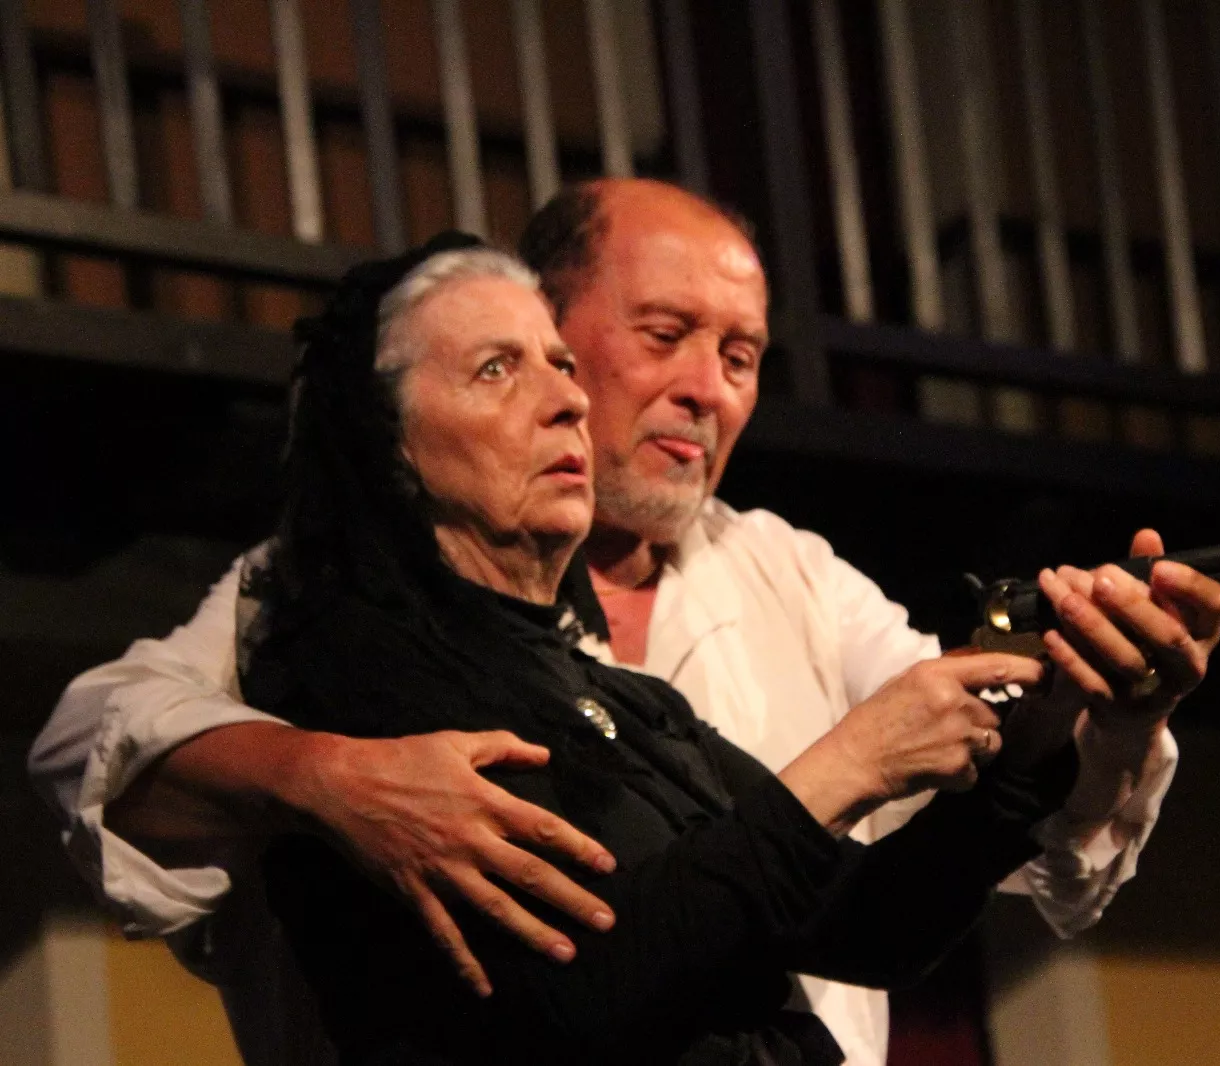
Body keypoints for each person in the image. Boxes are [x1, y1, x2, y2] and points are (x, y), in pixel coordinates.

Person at [29, 179, 1220, 1065]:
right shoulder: (334, 603)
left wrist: (1084, 719)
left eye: (742, 355)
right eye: (664, 336)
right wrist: (324, 776)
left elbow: (927, 863)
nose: (708, 388)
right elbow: (96, 741)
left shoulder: (781, 576)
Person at [244, 231, 1081, 1065]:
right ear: (386, 441)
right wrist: (855, 760)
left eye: (561, 364)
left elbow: (870, 927)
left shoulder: (619, 698)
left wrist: (1037, 741)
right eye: (496, 369)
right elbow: (579, 995)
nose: (568, 401)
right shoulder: (356, 678)